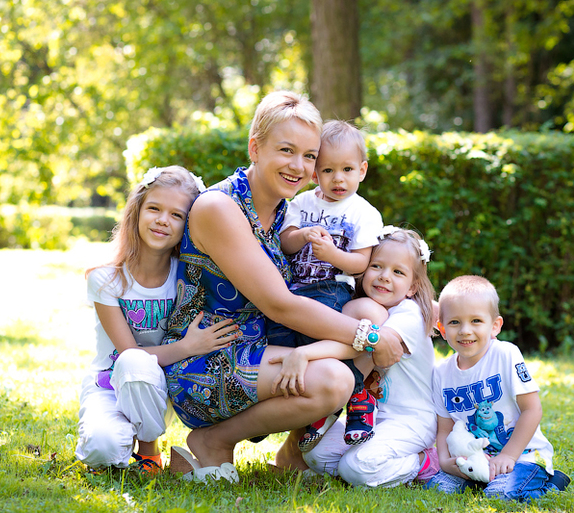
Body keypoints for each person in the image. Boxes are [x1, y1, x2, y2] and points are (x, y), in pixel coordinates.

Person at [161, 91, 405, 482]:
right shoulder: (220, 207)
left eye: (309, 156)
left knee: (356, 321)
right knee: (334, 378)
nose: (298, 166)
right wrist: (371, 336)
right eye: (286, 150)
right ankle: (212, 441)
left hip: (265, 344)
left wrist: (413, 305)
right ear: (255, 148)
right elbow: (280, 304)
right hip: (207, 357)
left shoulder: (284, 212)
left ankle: (293, 453)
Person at [75, 166, 239, 474]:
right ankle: (121, 436)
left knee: (138, 367)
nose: (163, 220)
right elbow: (128, 353)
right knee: (101, 450)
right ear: (136, 212)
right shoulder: (106, 279)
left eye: (177, 215)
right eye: (154, 208)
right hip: (110, 383)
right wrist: (189, 346)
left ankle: (149, 451)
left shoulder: (188, 276)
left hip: (162, 387)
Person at [279, 227, 439, 488]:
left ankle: (423, 462)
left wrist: (305, 353)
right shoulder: (363, 310)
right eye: (377, 266)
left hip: (410, 419)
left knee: (356, 468)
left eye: (398, 272)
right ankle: (367, 464)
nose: (384, 276)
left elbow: (365, 347)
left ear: (412, 287)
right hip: (371, 417)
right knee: (316, 455)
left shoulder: (409, 313)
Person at [267, 119, 384, 451]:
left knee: (317, 341)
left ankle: (354, 395)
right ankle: (282, 405)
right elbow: (286, 243)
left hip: (332, 289)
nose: (338, 179)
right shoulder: (301, 203)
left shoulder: (363, 212)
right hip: (293, 289)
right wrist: (303, 235)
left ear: (362, 170)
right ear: (315, 174)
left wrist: (333, 254)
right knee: (278, 339)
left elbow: (361, 263)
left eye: (347, 169)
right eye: (328, 170)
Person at [424, 275, 570, 500]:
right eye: (454, 322)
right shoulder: (441, 372)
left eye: (476, 321)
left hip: (521, 456)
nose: (465, 330)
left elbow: (532, 410)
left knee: (500, 494)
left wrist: (509, 456)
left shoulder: (505, 354)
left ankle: (553, 483)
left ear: (495, 326)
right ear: (442, 329)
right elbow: (445, 428)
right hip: (475, 459)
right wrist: (444, 461)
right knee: (438, 488)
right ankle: (484, 480)